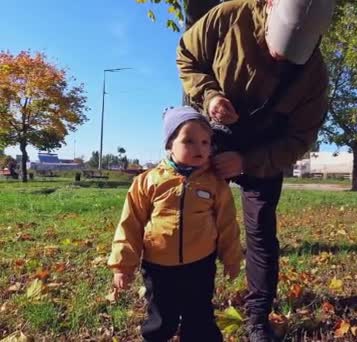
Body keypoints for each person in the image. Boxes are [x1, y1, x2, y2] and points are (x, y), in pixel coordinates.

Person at [176, 0, 336, 340]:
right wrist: (210, 97)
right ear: (268, 5)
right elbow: (187, 57)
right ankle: (190, 309)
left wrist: (247, 162)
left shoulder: (315, 79)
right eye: (277, 43)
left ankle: (257, 319)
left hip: (265, 150)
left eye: (293, 52)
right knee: (187, 221)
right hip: (211, 137)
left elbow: (299, 140)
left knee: (262, 233)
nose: (280, 58)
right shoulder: (228, 16)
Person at [107, 106, 242, 342]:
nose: (199, 148)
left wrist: (231, 258)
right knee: (161, 319)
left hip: (200, 264)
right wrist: (122, 265)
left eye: (204, 142)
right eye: (188, 141)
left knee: (199, 317)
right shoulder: (148, 181)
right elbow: (130, 225)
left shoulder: (215, 183)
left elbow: (227, 224)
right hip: (158, 266)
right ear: (170, 144)